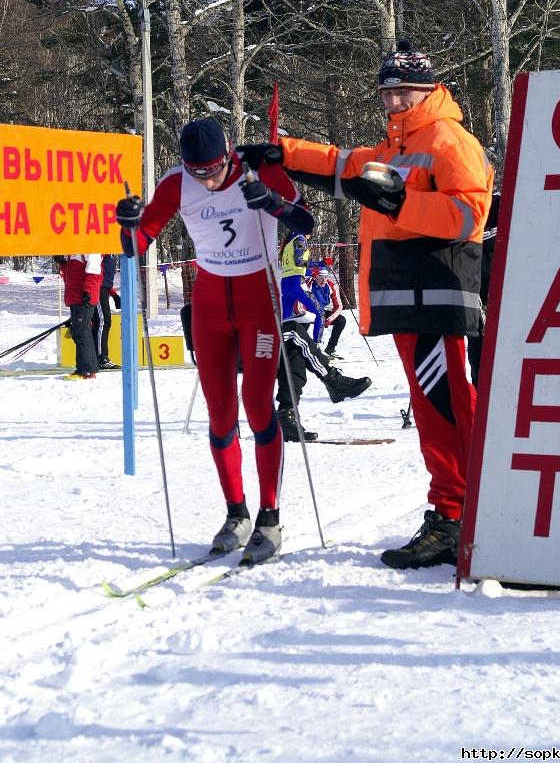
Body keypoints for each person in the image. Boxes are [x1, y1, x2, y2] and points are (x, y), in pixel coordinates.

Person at [240, 39, 494, 568]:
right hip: (408, 300)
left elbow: (471, 214)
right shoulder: (392, 149)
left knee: (445, 410)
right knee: (436, 410)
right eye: (388, 94)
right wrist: (282, 153)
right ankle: (463, 510)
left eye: (405, 93)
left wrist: (402, 203)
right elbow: (340, 166)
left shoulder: (450, 140)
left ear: (429, 91)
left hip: (436, 296)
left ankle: (457, 515)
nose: (396, 103)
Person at [115, 117, 314, 564]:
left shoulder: (257, 168)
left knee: (259, 404)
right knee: (220, 412)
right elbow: (137, 243)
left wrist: (273, 203)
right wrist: (127, 224)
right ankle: (236, 513)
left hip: (257, 296)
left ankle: (270, 516)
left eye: (215, 170)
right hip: (209, 302)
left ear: (229, 154)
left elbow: (307, 223)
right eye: (197, 172)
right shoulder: (176, 182)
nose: (207, 180)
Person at [275, 229, 372, 442]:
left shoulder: (291, 240)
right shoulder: (298, 238)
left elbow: (300, 265)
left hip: (288, 294)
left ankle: (287, 415)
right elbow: (300, 263)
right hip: (285, 300)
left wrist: (319, 265)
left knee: (296, 352)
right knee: (299, 331)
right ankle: (332, 379)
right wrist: (316, 265)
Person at [467, 192, 500, 388]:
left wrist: (469, 237)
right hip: (471, 280)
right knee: (476, 334)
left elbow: (502, 231)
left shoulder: (500, 201)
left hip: (494, 280)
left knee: (490, 334)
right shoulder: (462, 200)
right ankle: (479, 384)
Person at [58, 254, 103, 380]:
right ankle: (91, 368)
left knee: (80, 333)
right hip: (75, 297)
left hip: (83, 297)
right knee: (84, 332)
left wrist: (88, 290)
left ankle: (85, 370)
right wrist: (63, 264)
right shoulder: (73, 251)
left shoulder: (88, 245)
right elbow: (68, 277)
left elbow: (94, 269)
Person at [306, 265, 346, 359]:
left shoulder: (330, 285)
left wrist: (329, 319)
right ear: (315, 276)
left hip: (321, 311)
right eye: (320, 277)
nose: (323, 280)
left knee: (341, 320)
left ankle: (330, 349)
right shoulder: (309, 284)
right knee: (303, 324)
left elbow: (339, 306)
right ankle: (306, 350)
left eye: (326, 277)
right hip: (308, 311)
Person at [91, 254, 121, 370]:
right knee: (102, 321)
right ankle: (101, 357)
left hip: (104, 288)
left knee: (104, 321)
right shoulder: (102, 248)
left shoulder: (112, 251)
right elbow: (95, 271)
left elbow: (106, 277)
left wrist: (114, 295)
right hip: (96, 287)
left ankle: (98, 357)